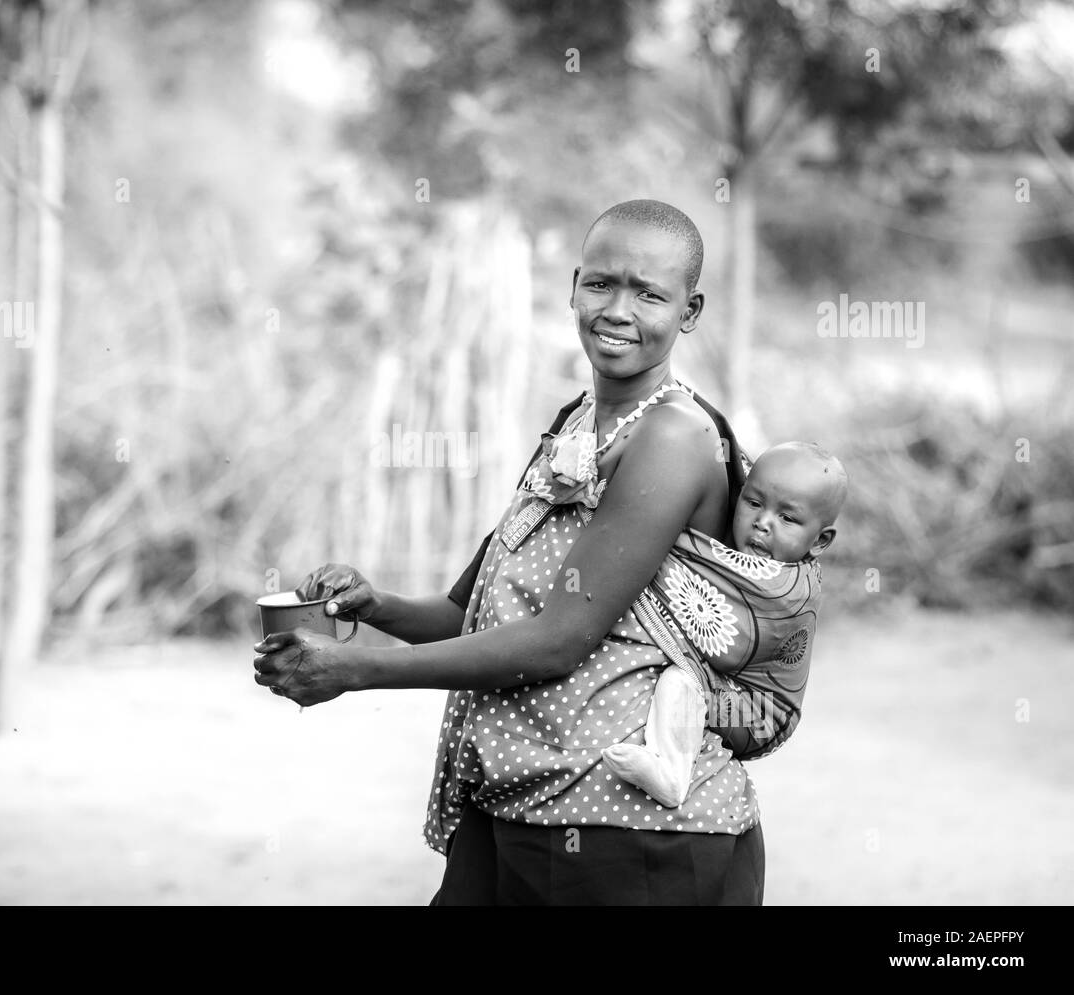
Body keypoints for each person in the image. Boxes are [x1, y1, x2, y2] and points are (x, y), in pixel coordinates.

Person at [254, 199, 785, 905]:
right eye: (601, 284)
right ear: (572, 286)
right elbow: (468, 616)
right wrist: (372, 604)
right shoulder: (573, 425)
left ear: (689, 312)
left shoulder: (674, 437)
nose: (618, 309)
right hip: (524, 807)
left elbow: (558, 640)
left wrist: (354, 669)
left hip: (632, 832)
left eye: (649, 293)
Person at [602, 442, 849, 808]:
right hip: (738, 695)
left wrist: (647, 534)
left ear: (820, 540)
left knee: (682, 681)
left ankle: (671, 776)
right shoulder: (746, 558)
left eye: (787, 518)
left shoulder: (784, 592)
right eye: (753, 503)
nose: (763, 522)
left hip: (759, 714)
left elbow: (720, 630)